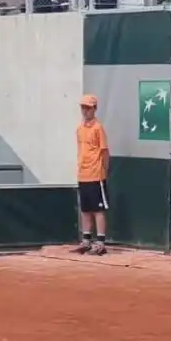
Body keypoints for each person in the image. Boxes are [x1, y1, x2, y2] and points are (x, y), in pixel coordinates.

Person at [75, 94, 110, 255]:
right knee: (85, 209)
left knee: (98, 209)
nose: (85, 110)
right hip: (83, 174)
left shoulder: (98, 128)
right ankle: (86, 240)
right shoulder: (79, 129)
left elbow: (105, 151)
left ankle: (100, 242)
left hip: (96, 175)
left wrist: (104, 171)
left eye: (88, 108)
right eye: (83, 107)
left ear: (94, 109)